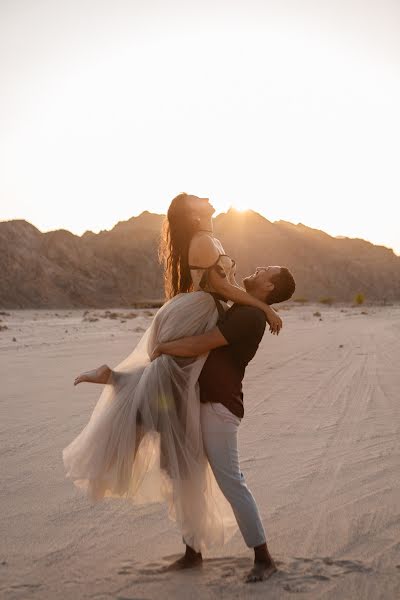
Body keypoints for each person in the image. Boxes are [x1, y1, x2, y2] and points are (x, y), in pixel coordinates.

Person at [63, 193, 283, 555]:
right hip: (199, 307)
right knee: (167, 374)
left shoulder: (206, 238)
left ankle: (118, 381)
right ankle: (121, 387)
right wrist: (265, 307)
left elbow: (224, 292)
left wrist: (261, 308)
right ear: (192, 215)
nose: (207, 198)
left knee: (170, 380)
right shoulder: (202, 241)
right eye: (199, 198)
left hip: (199, 309)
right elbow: (224, 288)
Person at [151, 264, 295, 582]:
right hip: (204, 401)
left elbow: (202, 343)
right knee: (190, 475)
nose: (256, 270)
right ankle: (192, 552)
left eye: (263, 271)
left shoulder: (250, 317)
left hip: (220, 407)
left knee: (231, 481)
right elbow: (225, 287)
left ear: (269, 287)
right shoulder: (248, 307)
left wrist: (164, 348)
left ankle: (264, 558)